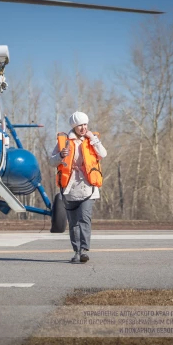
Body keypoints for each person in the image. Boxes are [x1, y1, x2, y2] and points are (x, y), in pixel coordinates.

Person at [49, 111, 107, 264]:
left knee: (85, 219)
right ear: (74, 126)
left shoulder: (91, 140)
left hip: (88, 188)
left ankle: (84, 250)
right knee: (74, 223)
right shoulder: (65, 142)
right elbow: (52, 161)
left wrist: (93, 139)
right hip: (70, 188)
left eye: (85, 124)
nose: (83, 128)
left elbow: (103, 154)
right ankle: (76, 251)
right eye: (80, 125)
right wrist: (61, 155)